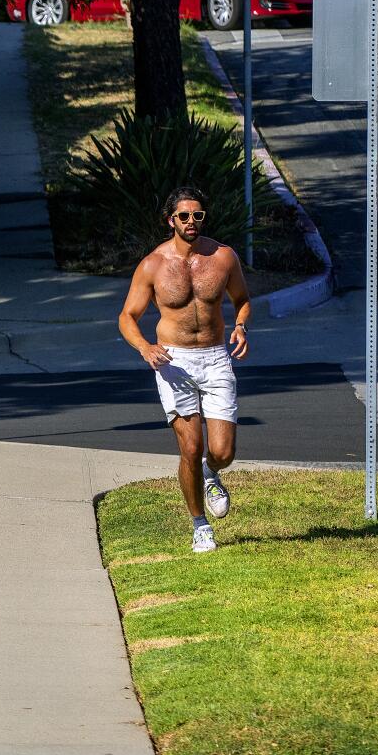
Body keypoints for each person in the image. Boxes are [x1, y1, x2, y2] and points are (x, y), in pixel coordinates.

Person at [117, 185, 251, 553]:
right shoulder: (153, 265)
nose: (191, 222)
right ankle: (199, 525)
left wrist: (240, 326)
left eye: (198, 215)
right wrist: (145, 347)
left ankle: (213, 473)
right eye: (184, 216)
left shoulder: (223, 257)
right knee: (190, 448)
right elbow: (127, 317)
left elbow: (241, 300)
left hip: (215, 357)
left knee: (222, 452)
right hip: (174, 362)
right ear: (170, 220)